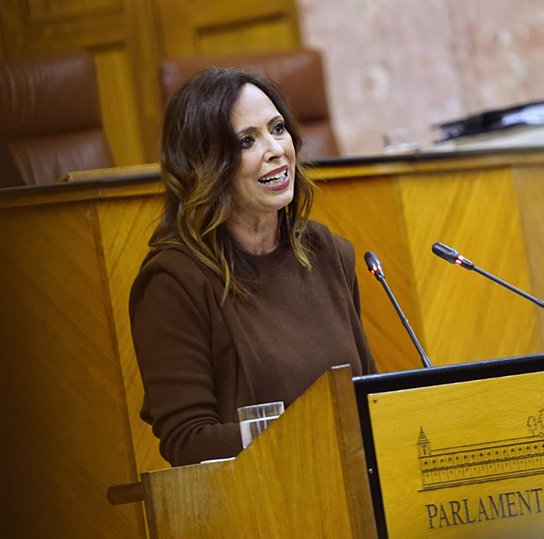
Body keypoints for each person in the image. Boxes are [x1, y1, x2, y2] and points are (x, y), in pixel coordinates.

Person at [129, 68, 376, 467]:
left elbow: (368, 396)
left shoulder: (327, 252)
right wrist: (312, 433)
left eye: (278, 129)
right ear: (207, 165)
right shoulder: (174, 282)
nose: (275, 149)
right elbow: (188, 441)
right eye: (247, 141)